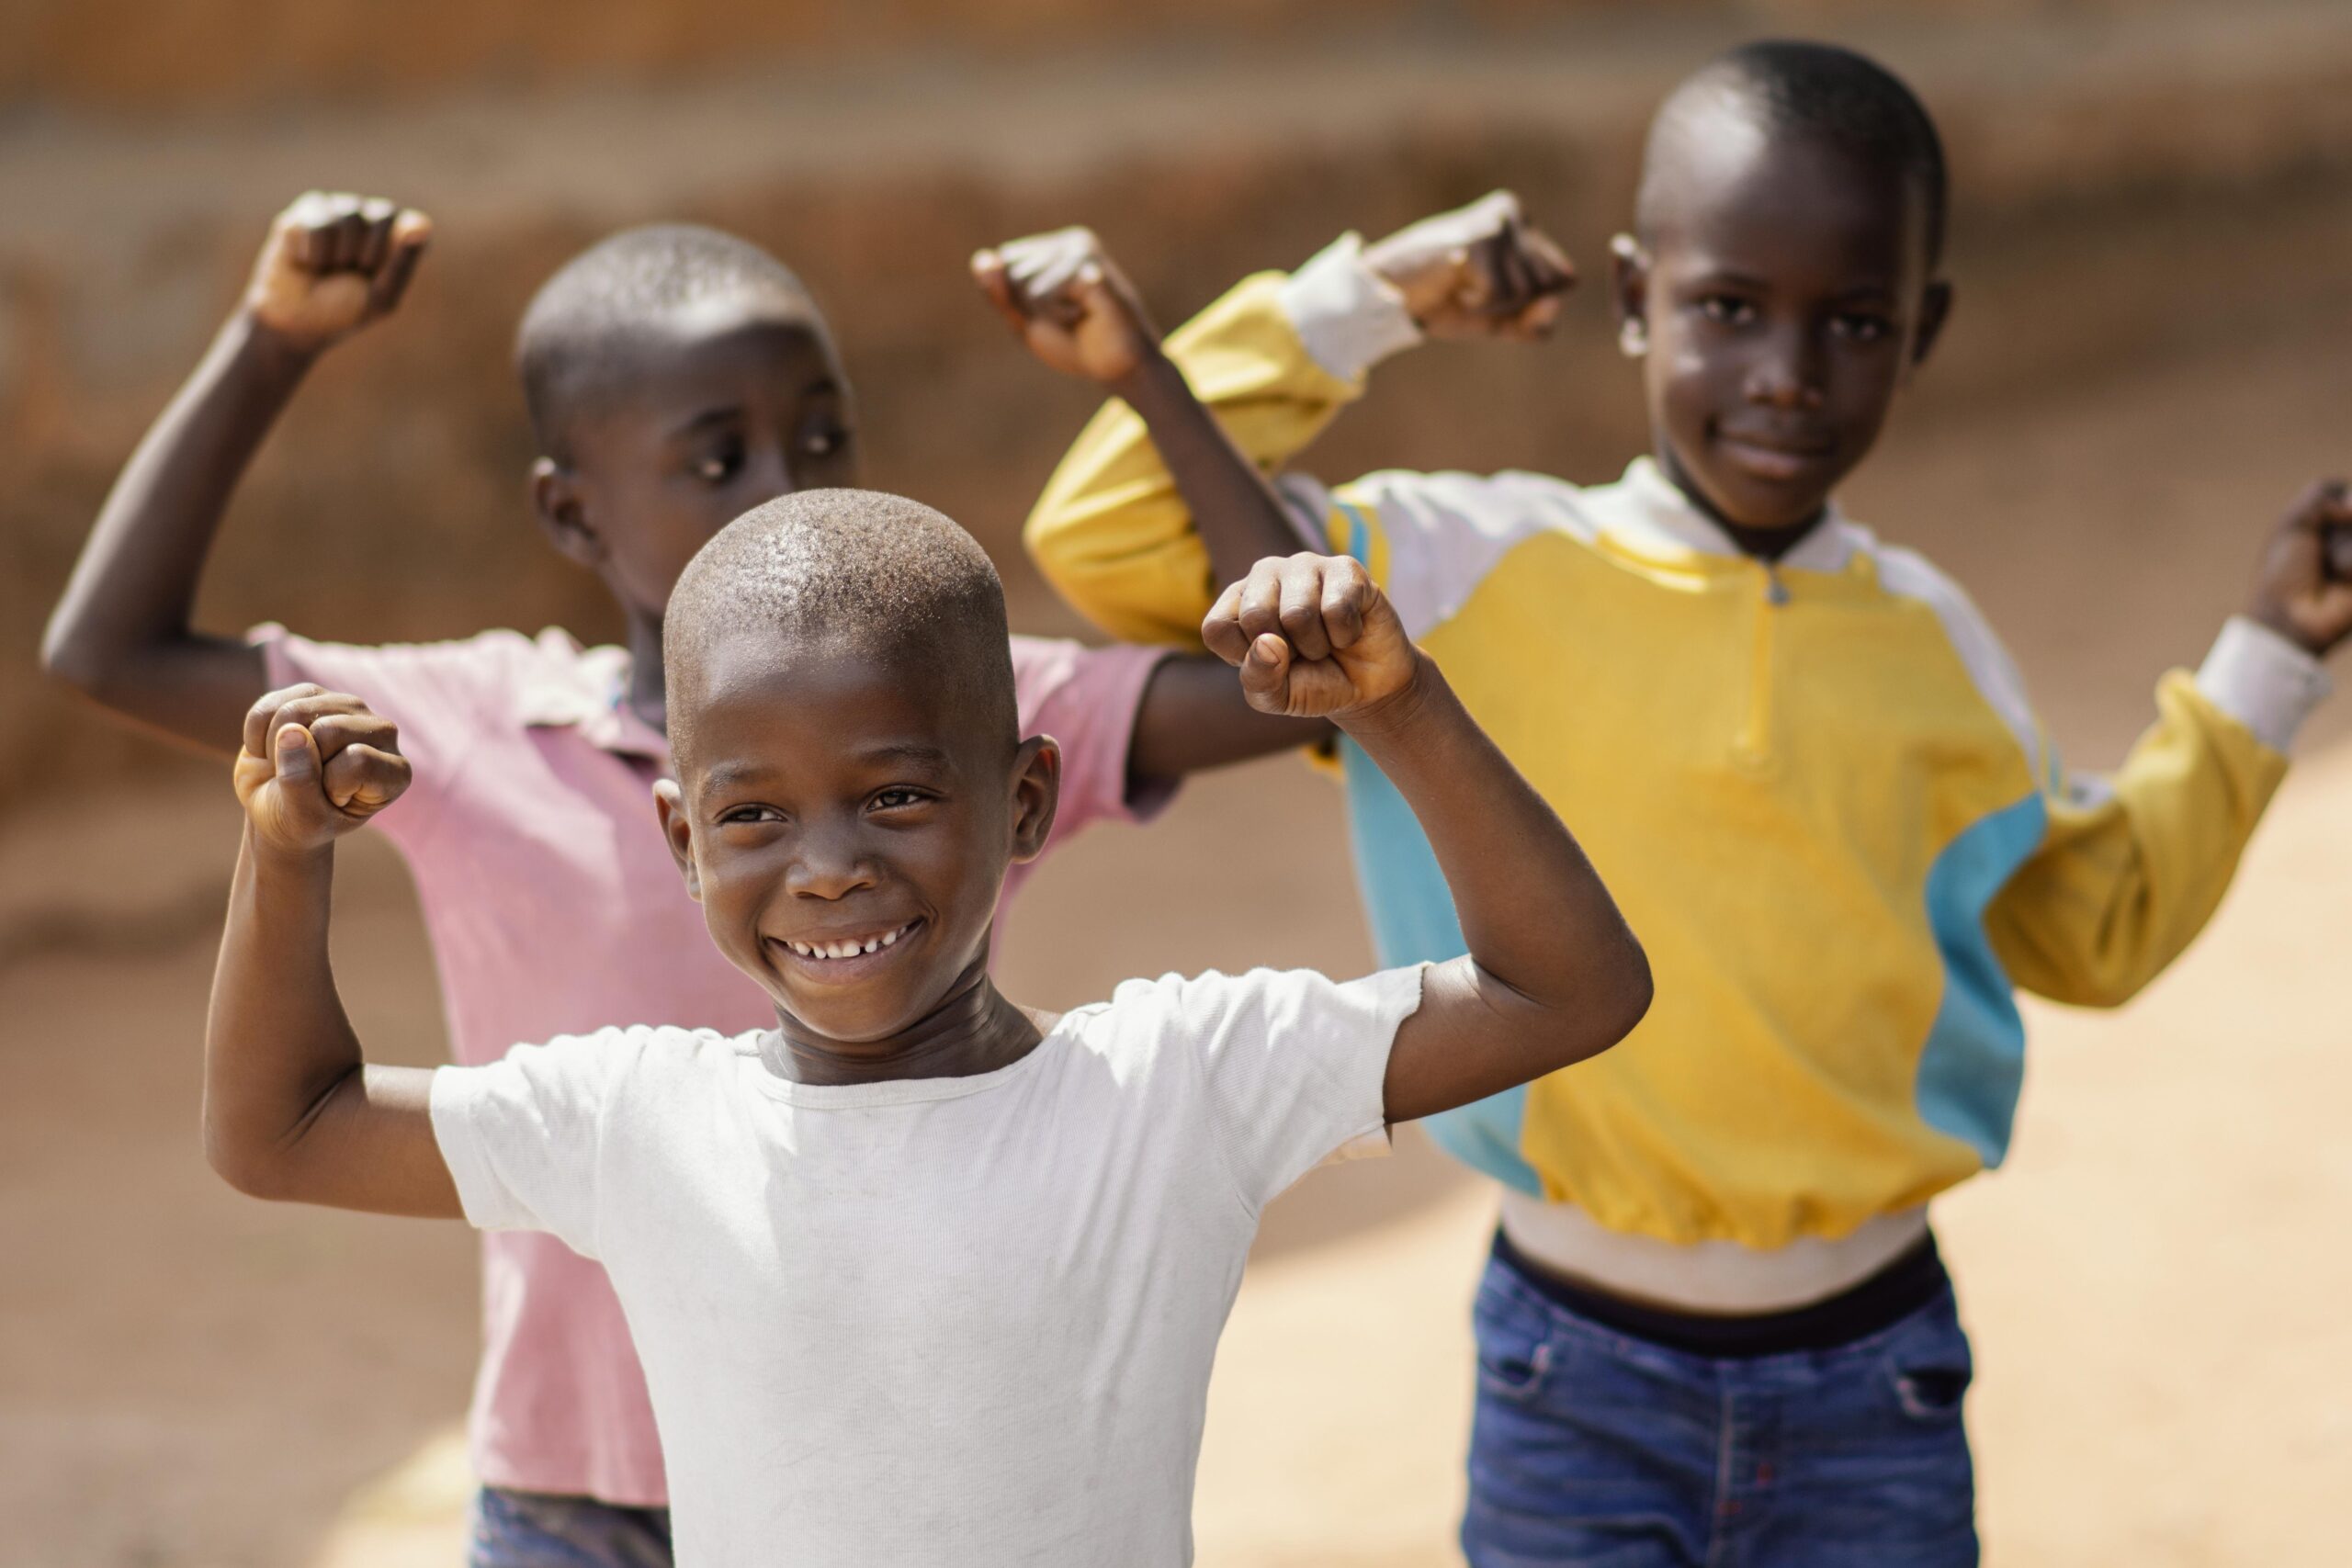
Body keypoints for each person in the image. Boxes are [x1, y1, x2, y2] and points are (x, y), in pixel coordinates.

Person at [983, 39, 2352, 1567]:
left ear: (1924, 331)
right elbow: (1107, 529)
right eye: (1728, 308)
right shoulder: (1453, 576)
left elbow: (2099, 922)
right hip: (1572, 1376)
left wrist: (2271, 659)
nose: (1788, 372)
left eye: (1854, 322)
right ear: (1636, 296)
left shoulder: (1939, 649)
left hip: (1875, 1376)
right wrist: (1375, 295)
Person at [40, 194, 1313, 1566]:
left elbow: (1290, 683)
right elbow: (109, 651)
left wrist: (1142, 372)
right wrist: (271, 339)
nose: (785, 485)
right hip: (576, 1493)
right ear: (570, 511)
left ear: (1022, 795)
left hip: (872, 1471)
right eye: (718, 458)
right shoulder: (481, 722)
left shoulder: (958, 711)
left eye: (820, 439)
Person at [199, 489, 1653, 1565]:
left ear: (1025, 803)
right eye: (753, 817)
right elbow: (283, 1131)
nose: (827, 866)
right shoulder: (641, 1123)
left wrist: (1401, 707)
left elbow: (1572, 989)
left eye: (895, 795)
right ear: (682, 840)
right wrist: (283, 854)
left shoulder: (1175, 1088)